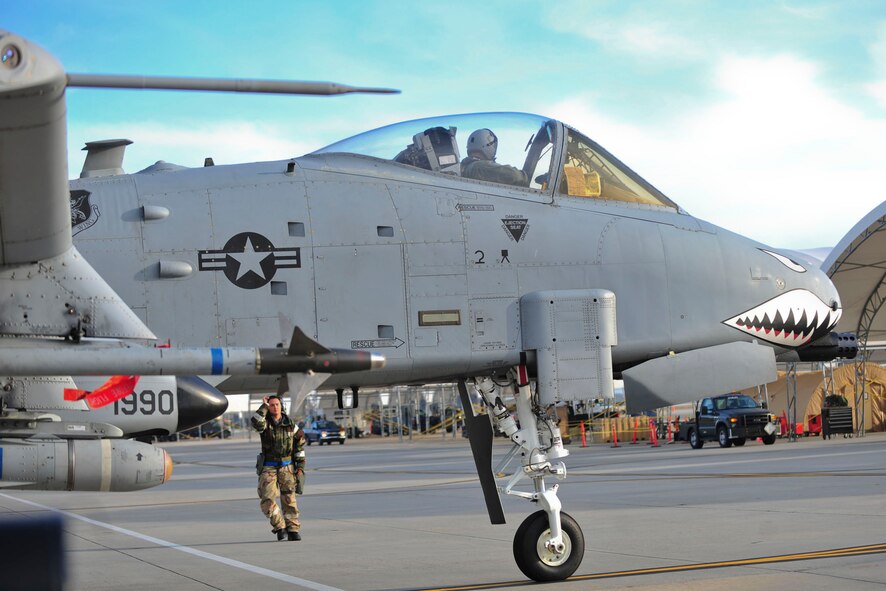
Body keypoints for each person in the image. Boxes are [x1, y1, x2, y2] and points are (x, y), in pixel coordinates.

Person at [251, 395, 306, 541]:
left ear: (281, 406)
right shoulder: (265, 424)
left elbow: (300, 445)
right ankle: (280, 527)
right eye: (272, 405)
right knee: (267, 498)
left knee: (289, 499)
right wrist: (263, 406)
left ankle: (293, 529)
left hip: (287, 466)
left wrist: (300, 467)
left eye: (277, 404)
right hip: (269, 466)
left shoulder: (290, 425)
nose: (275, 407)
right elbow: (255, 422)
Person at [461, 128, 529, 187]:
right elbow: (516, 176)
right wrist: (525, 177)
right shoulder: (479, 167)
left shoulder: (466, 167)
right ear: (489, 146)